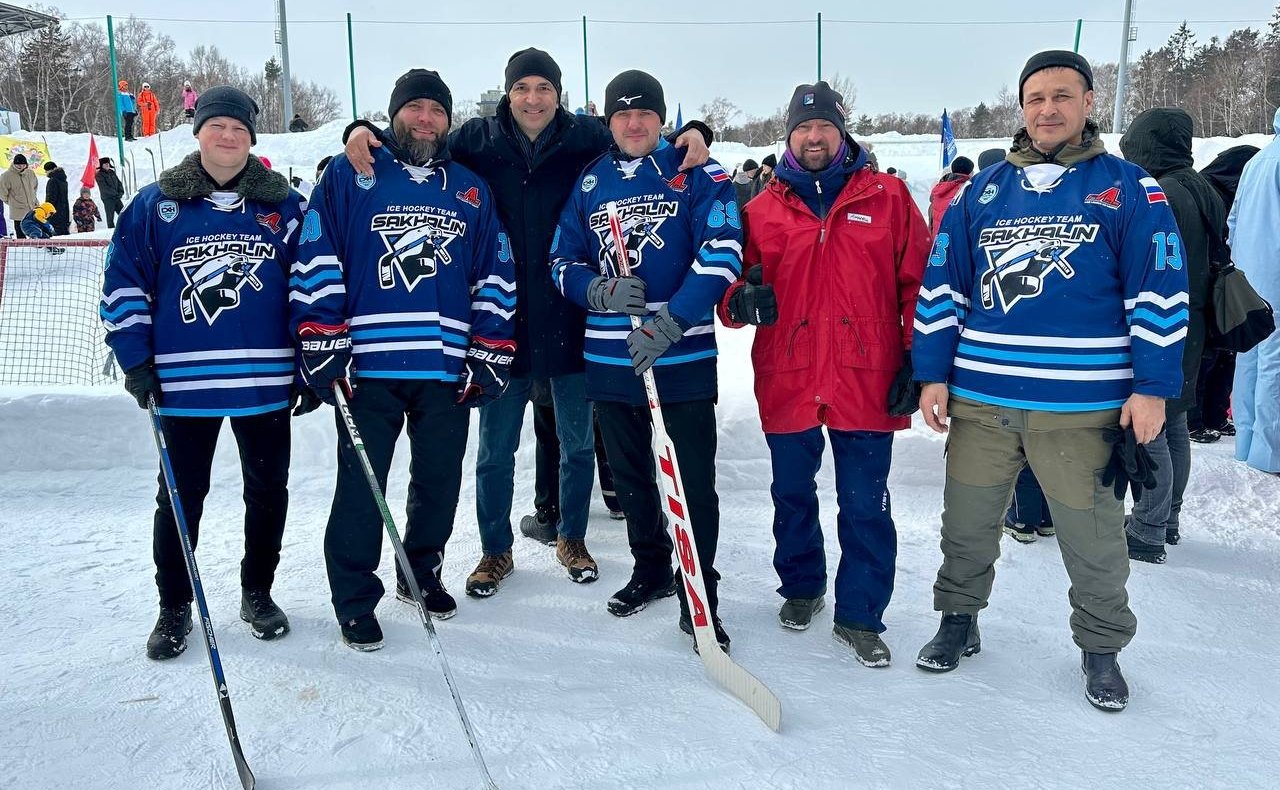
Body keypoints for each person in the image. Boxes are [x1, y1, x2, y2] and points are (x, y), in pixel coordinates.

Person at [341, 48, 712, 598]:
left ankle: (572, 537)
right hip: (502, 322)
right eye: (522, 88)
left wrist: (696, 132)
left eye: (544, 88)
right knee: (495, 449)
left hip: (572, 317)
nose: (533, 99)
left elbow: (640, 131)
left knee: (577, 443)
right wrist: (360, 131)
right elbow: (416, 139)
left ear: (558, 95)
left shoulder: (586, 137)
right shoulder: (476, 139)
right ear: (507, 93)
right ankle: (495, 550)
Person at [911, 51, 1187, 711]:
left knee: (1093, 537)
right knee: (967, 524)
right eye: (1036, 98)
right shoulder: (982, 191)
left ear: (1089, 103)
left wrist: (1152, 387)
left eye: (1063, 96)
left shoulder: (1129, 187)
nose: (1048, 110)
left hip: (1079, 405)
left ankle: (1101, 647)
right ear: (1022, 107)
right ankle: (958, 619)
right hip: (983, 401)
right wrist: (932, 375)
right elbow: (943, 287)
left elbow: (1159, 289)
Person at [293, 68, 517, 650]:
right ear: (393, 115)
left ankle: (420, 573)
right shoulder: (351, 173)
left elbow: (495, 270)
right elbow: (316, 254)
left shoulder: (469, 189)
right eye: (414, 107)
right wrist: (323, 336)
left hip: (445, 367)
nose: (425, 119)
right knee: (361, 489)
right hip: (367, 369)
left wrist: (489, 348)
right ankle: (353, 599)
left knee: (439, 481)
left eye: (436, 110)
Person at [717, 80, 928, 667]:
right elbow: (727, 289)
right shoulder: (759, 209)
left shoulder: (888, 198)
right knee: (791, 493)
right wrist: (739, 301)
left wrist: (916, 356)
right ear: (789, 135)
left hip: (868, 374)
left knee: (865, 504)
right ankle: (802, 585)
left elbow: (919, 284)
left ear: (842, 132)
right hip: (788, 372)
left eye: (825, 127)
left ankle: (860, 614)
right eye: (803, 128)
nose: (814, 137)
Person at [99, 85, 307, 661]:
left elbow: (311, 285)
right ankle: (174, 604)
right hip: (183, 383)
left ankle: (257, 591)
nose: (228, 137)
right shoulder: (155, 205)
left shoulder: (286, 207)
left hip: (265, 381)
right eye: (217, 126)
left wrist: (311, 360)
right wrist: (136, 358)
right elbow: (124, 284)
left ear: (251, 139)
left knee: (268, 491)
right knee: (179, 496)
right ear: (199, 133)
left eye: (239, 129)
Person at [551, 68, 740, 653]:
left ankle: (699, 591)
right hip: (611, 360)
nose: (634, 124)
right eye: (623, 114)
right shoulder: (590, 182)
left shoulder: (697, 172)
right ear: (609, 121)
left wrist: (673, 320)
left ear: (661, 118)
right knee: (632, 478)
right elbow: (561, 259)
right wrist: (595, 289)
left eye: (645, 113)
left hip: (681, 358)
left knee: (692, 483)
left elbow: (723, 252)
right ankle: (651, 566)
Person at [1120, 107, 1221, 559]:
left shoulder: (1162, 192)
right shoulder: (1199, 185)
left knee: (1151, 425)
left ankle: (1147, 527)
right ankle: (1168, 517)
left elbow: (1154, 263)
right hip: (1194, 318)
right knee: (1174, 420)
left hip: (1164, 318)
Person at [1188, 145, 1261, 443]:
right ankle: (1194, 420)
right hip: (1208, 283)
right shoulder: (1206, 193)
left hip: (1221, 282)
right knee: (1207, 355)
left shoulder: (1222, 192)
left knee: (1225, 353)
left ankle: (1215, 415)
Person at [1225, 110, 1280, 476]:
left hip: (1249, 274)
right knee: (1274, 363)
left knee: (1249, 357)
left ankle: (1245, 443)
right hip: (1275, 272)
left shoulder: (1257, 161)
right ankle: (1268, 453)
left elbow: (1233, 219)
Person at [928, 155, 973, 234]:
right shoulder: (968, 189)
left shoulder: (938, 189)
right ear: (970, 172)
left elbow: (931, 220)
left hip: (938, 238)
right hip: (957, 238)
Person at [0, 153, 38, 237]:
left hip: (32, 208)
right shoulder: (6, 176)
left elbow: (34, 187)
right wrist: (12, 202)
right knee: (21, 234)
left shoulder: (30, 173)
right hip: (18, 210)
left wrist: (33, 198)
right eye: (18, 165)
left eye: (23, 164)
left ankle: (35, 245)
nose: (21, 166)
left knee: (35, 232)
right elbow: (2, 193)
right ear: (14, 164)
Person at [41, 161, 69, 236]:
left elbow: (51, 198)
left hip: (55, 212)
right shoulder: (63, 180)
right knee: (63, 234)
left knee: (55, 235)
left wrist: (47, 211)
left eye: (46, 171)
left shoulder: (52, 181)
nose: (46, 173)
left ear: (50, 170)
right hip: (63, 211)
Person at [96, 157, 125, 229]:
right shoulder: (99, 175)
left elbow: (119, 183)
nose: (107, 165)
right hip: (108, 199)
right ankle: (111, 231)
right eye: (105, 164)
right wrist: (115, 193)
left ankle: (125, 227)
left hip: (117, 197)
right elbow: (104, 188)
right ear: (102, 165)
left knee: (124, 213)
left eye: (108, 163)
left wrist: (121, 192)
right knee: (110, 217)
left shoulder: (112, 172)